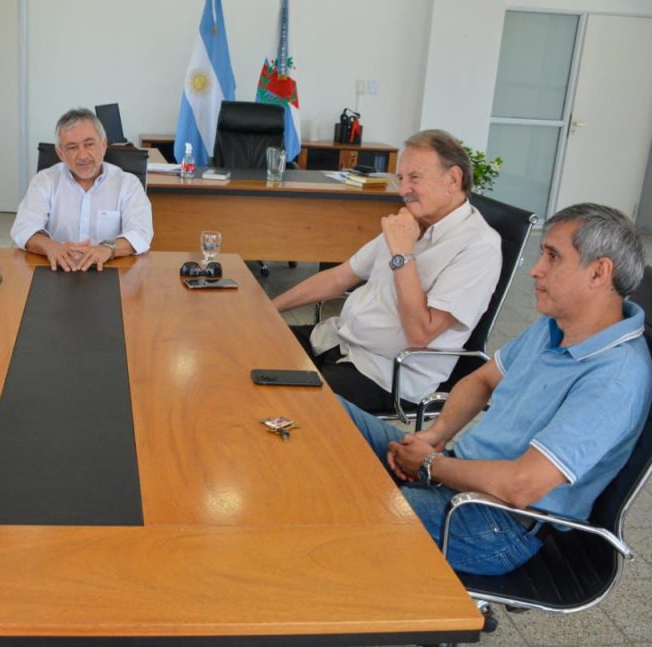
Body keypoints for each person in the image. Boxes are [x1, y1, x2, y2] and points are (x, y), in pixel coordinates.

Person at [342, 203, 651, 576]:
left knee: (348, 513)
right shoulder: (555, 323)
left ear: (600, 272)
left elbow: (522, 487)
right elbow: (482, 379)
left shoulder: (616, 378)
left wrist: (430, 465)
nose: (536, 270)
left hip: (496, 524)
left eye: (553, 257)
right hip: (459, 472)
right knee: (328, 416)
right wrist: (436, 436)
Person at [272, 130, 502, 412]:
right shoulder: (411, 222)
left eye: (414, 178)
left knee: (280, 404)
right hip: (336, 340)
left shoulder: (479, 246)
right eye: (401, 178)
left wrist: (403, 253)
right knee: (251, 348)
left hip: (383, 375)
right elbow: (339, 277)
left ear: (453, 179)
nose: (403, 189)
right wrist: (269, 309)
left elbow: (421, 335)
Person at [11, 107, 153, 272]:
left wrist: (107, 249)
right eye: (72, 147)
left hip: (110, 269)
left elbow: (141, 233)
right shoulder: (44, 181)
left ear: (103, 145)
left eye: (89, 144)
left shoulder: (128, 184)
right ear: (60, 153)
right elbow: (23, 228)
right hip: (57, 269)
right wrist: (51, 247)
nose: (83, 155)